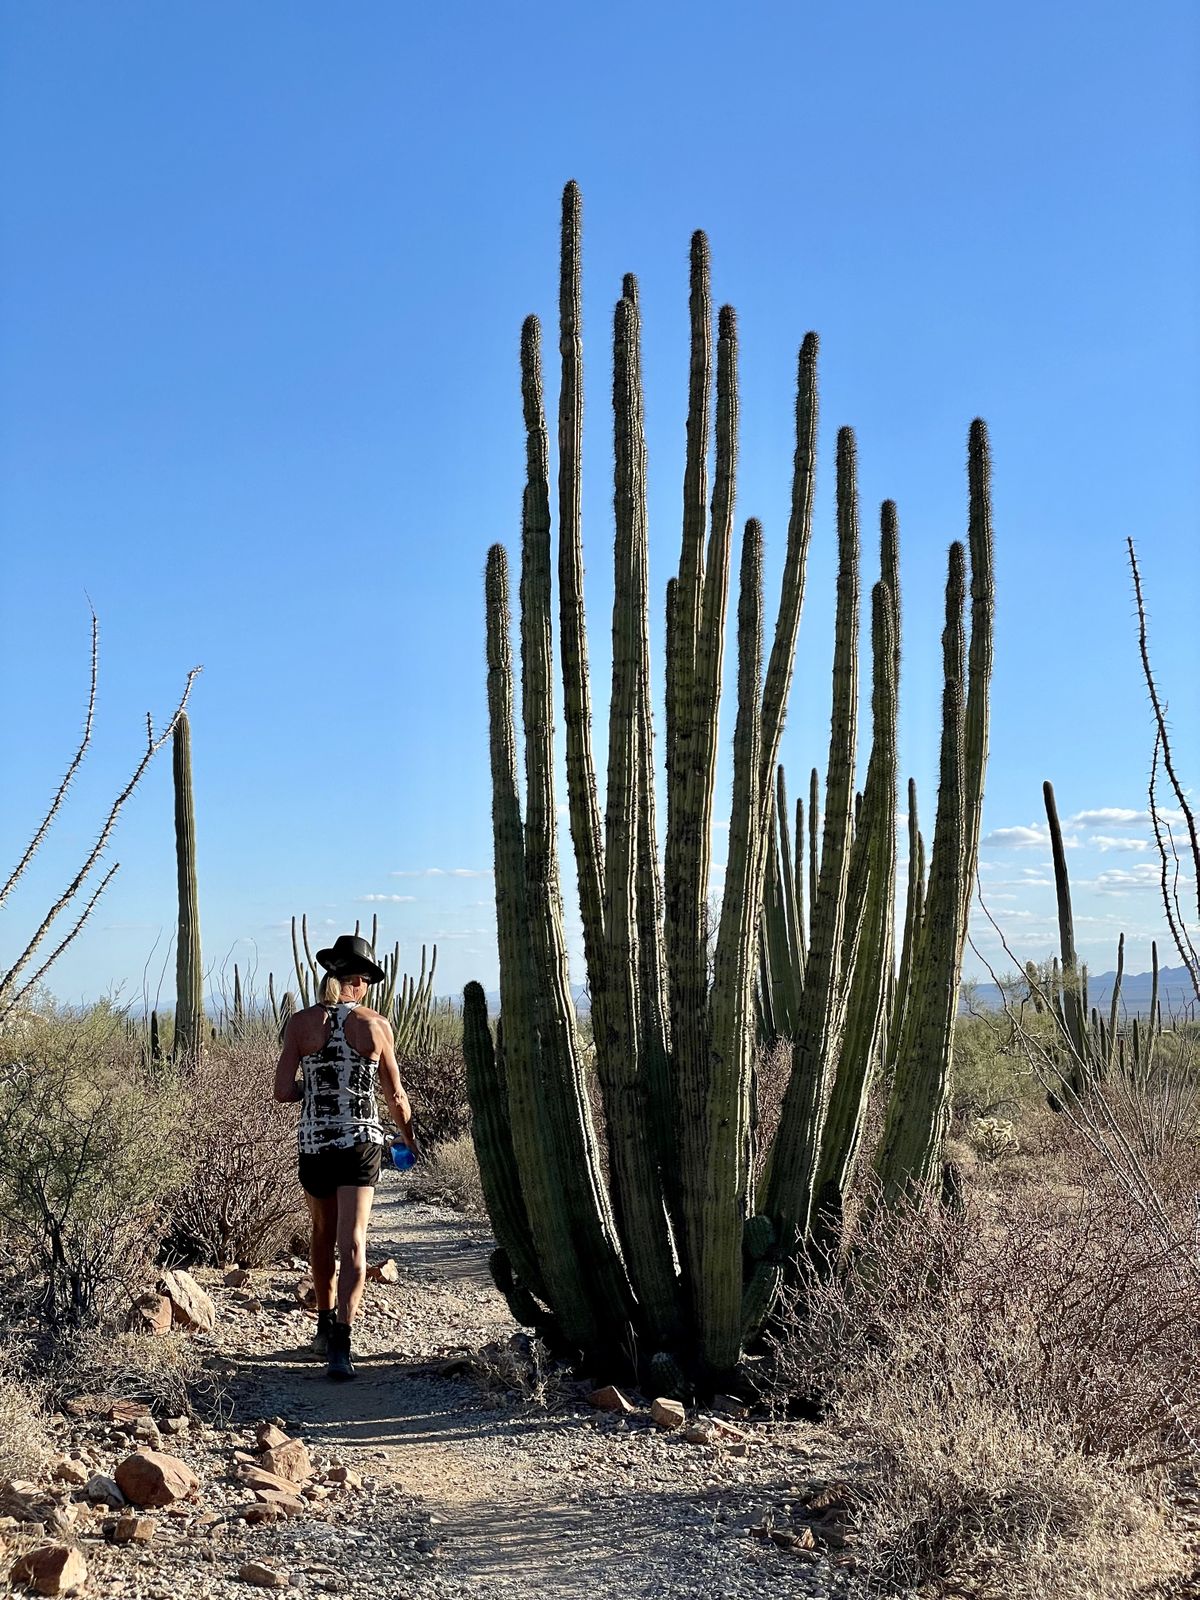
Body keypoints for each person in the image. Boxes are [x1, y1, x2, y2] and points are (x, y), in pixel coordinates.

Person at [273, 933, 415, 1380]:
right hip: (359, 1145)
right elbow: (395, 1095)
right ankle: (342, 1345)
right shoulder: (376, 1025)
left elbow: (281, 1091)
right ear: (358, 981)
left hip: (315, 1144)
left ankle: (321, 1325)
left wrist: (313, 1090)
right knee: (352, 1242)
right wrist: (409, 1138)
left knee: (320, 1233)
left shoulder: (299, 1024)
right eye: (366, 979)